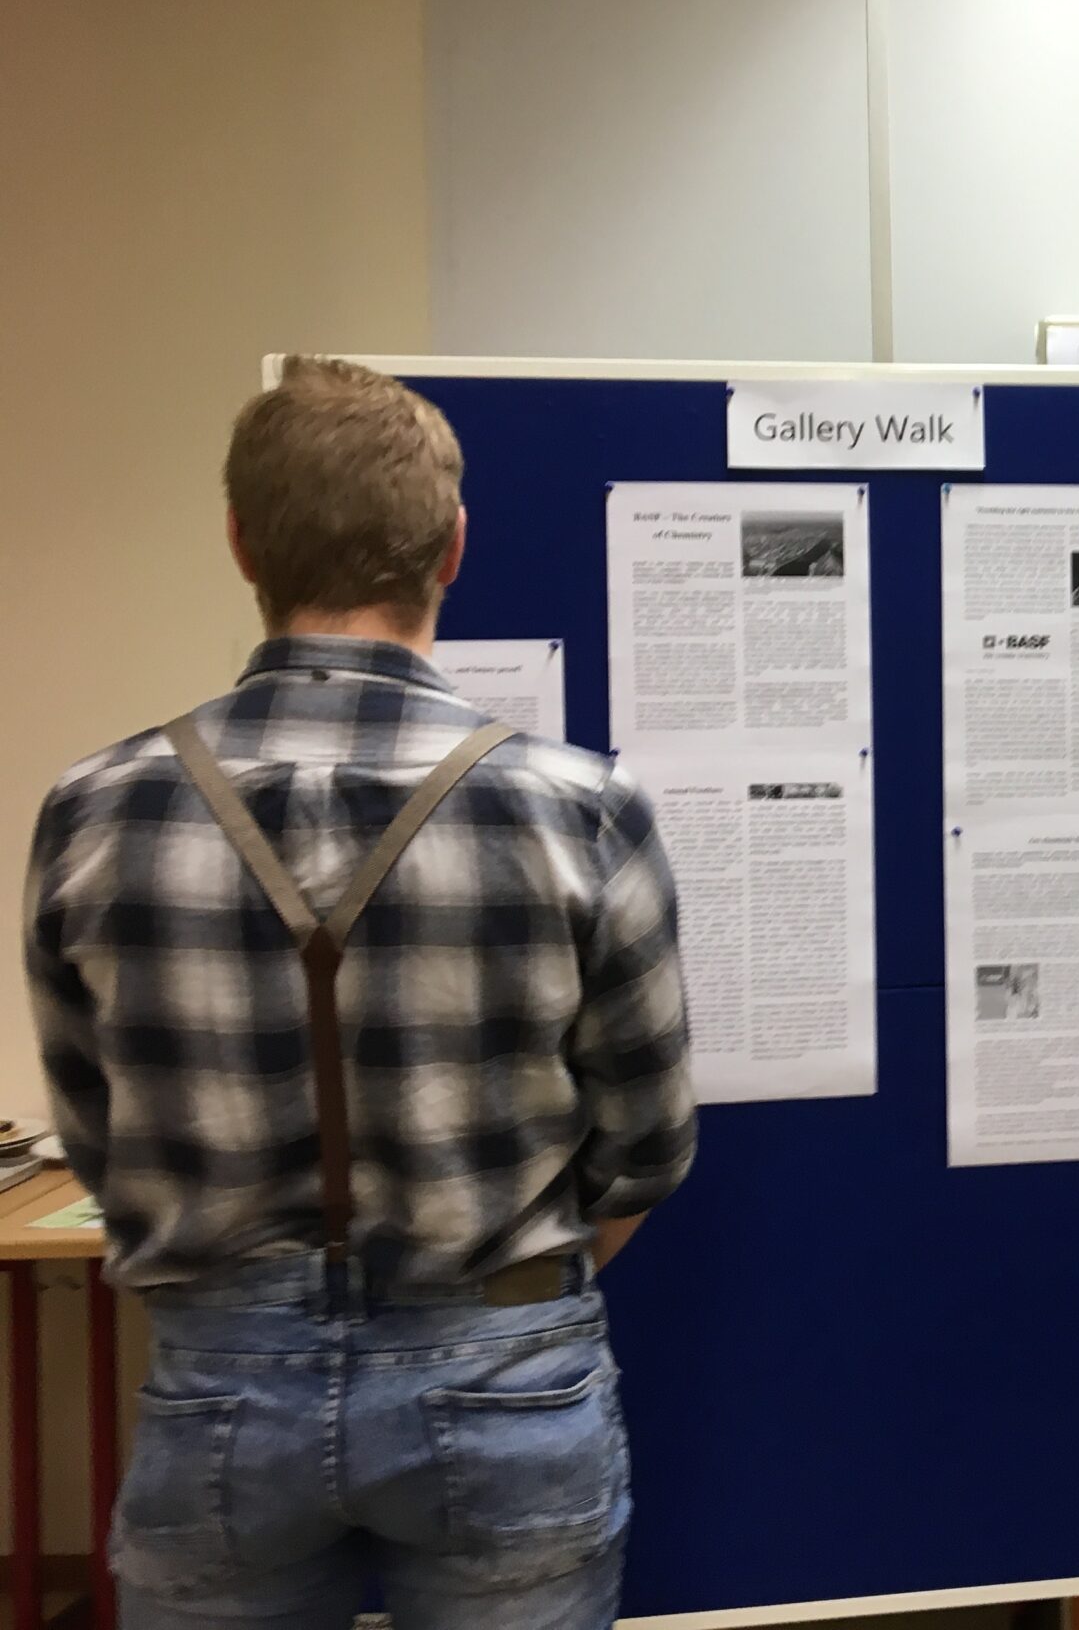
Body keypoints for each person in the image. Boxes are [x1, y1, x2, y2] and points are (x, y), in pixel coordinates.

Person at [23, 358, 696, 1630]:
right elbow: (647, 1147)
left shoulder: (93, 809)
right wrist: (496, 1292)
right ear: (453, 546)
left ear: (240, 544)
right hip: (507, 1373)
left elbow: (100, 1141)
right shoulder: (582, 810)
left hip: (220, 1381)